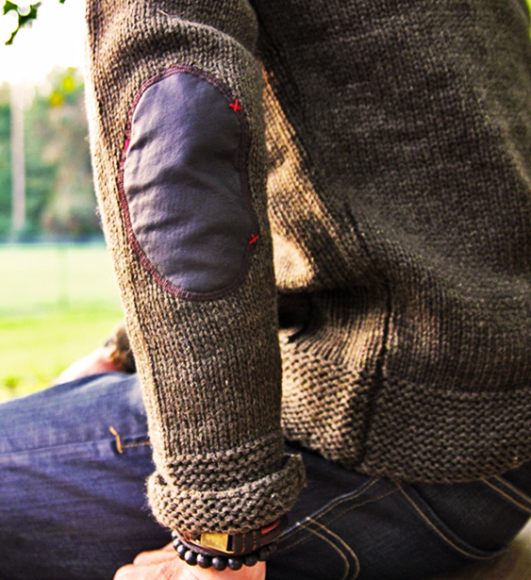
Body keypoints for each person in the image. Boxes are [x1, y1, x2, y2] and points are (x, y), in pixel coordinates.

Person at [2, 0, 531, 578]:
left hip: (383, 447)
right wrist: (122, 351)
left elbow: (180, 127)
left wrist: (221, 536)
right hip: (504, 435)